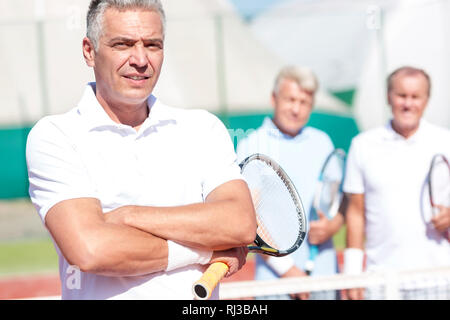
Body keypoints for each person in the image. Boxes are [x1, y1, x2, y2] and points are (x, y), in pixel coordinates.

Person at [25, 0, 257, 300]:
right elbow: (91, 249)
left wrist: (127, 216)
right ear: (89, 51)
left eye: (152, 44)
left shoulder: (203, 128)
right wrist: (205, 249)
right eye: (123, 44)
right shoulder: (55, 136)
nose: (140, 59)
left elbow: (239, 222)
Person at [236, 65, 345, 300]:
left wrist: (332, 227)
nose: (296, 109)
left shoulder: (322, 141)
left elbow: (338, 206)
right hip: (276, 285)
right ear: (274, 98)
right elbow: (249, 219)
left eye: (304, 102)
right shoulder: (253, 144)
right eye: (290, 99)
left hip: (325, 277)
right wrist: (288, 271)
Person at [342, 66, 450, 300]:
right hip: (381, 281)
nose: (408, 104)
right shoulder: (362, 145)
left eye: (415, 97)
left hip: (438, 278)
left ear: (426, 100)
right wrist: (352, 274)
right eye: (401, 95)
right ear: (389, 97)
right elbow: (355, 212)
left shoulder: (445, 141)